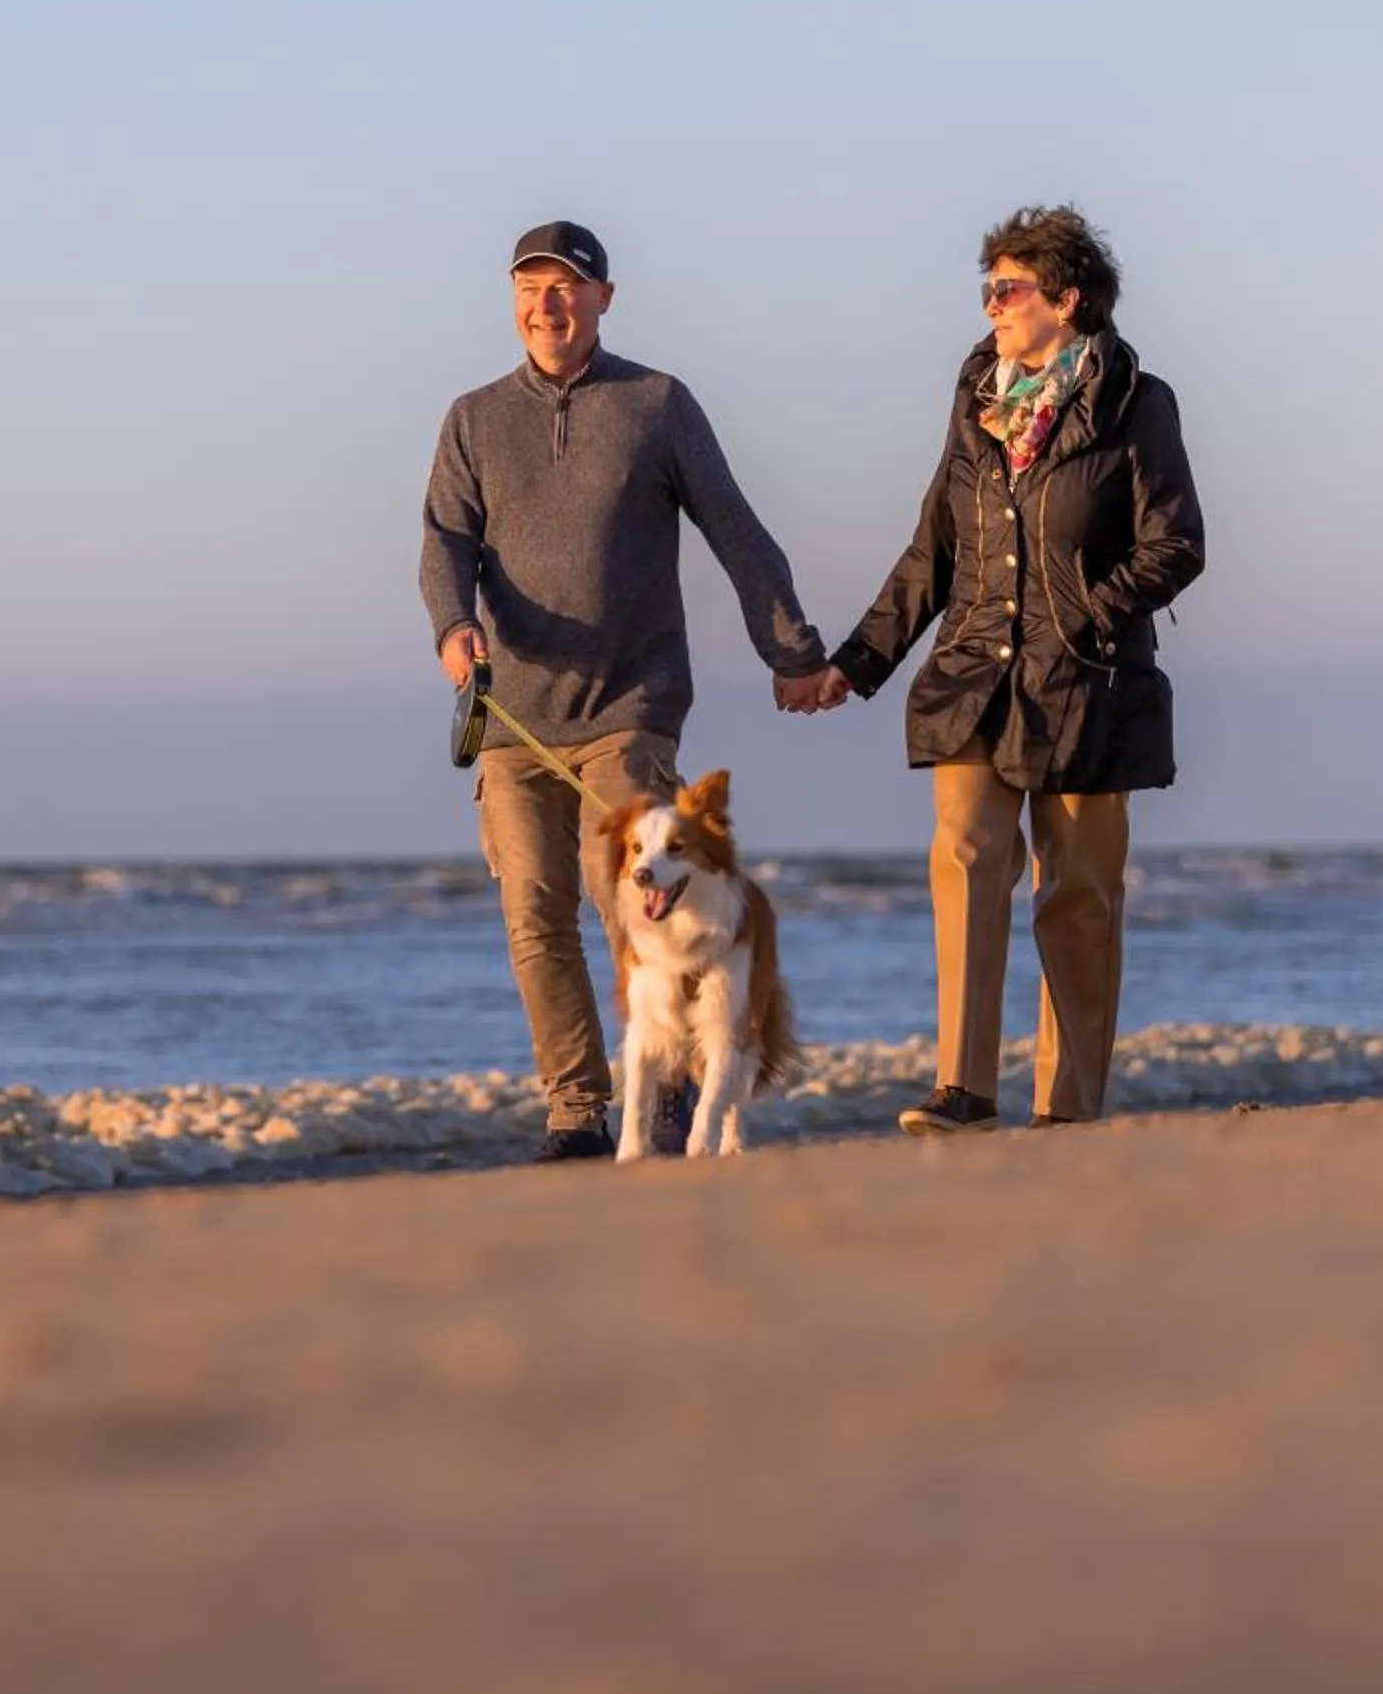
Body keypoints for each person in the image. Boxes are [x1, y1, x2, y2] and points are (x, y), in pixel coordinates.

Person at [422, 220, 838, 1161]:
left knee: (640, 902)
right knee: (535, 912)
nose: (548, 304)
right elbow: (444, 539)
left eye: (567, 286)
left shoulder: (656, 405)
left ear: (604, 298)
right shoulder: (473, 418)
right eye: (531, 287)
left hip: (629, 709)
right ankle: (577, 1108)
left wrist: (793, 652)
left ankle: (678, 1085)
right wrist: (454, 627)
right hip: (512, 717)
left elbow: (734, 527)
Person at [796, 205, 1205, 1131]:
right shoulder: (977, 394)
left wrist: (1091, 619)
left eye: (1007, 290)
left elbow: (1176, 544)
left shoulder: (1139, 401)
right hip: (973, 675)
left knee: (1080, 900)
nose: (990, 309)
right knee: (967, 860)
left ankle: (1068, 1107)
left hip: (1089, 686)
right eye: (985, 291)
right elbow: (935, 546)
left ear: (1067, 299)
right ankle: (965, 1090)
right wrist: (856, 665)